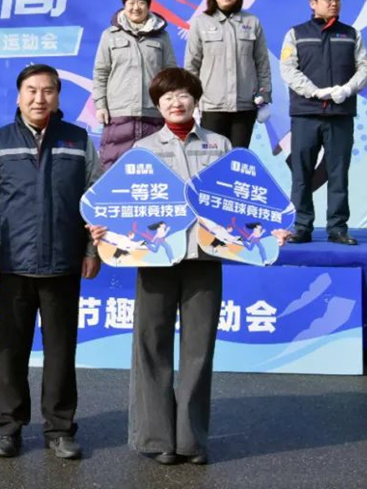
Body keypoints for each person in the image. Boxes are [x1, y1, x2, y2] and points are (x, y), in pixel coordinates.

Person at [87, 67, 289, 466]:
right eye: (166, 97)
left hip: (205, 259)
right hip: (156, 260)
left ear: (196, 100)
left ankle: (192, 439)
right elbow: (120, 203)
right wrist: (103, 229)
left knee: (198, 350)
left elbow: (244, 200)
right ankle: (158, 438)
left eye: (182, 95)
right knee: (151, 347)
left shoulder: (219, 144)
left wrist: (270, 231)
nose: (175, 102)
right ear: (157, 105)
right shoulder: (143, 149)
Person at [0, 64, 102, 461]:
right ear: (19, 96)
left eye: (47, 91)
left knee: (61, 352)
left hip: (63, 263)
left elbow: (95, 200)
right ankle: (8, 428)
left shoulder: (78, 141)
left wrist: (92, 251)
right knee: (11, 351)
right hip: (14, 263)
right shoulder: (0, 141)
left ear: (58, 96)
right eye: (31, 90)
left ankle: (60, 429)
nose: (39, 98)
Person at [279, 0, 367, 245]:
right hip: (305, 114)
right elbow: (288, 69)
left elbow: (365, 68)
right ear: (313, 3)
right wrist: (314, 92)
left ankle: (338, 228)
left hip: (340, 114)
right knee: (302, 173)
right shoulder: (296, 34)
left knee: (338, 173)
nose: (333, 3)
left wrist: (347, 89)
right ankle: (301, 226)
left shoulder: (351, 34)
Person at [92, 0, 178, 169]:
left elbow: (170, 74)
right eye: (131, 2)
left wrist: (170, 106)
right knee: (114, 167)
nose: (136, 8)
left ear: (148, 5)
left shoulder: (162, 36)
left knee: (154, 168)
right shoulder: (110, 35)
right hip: (118, 115)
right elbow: (101, 72)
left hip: (153, 114)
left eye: (141, 2)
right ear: (124, 5)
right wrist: (101, 105)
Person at [184, 0, 271, 148]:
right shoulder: (201, 22)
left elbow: (262, 63)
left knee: (238, 159)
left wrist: (265, 96)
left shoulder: (252, 22)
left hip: (245, 106)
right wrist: (192, 100)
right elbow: (191, 65)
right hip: (212, 106)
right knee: (213, 158)